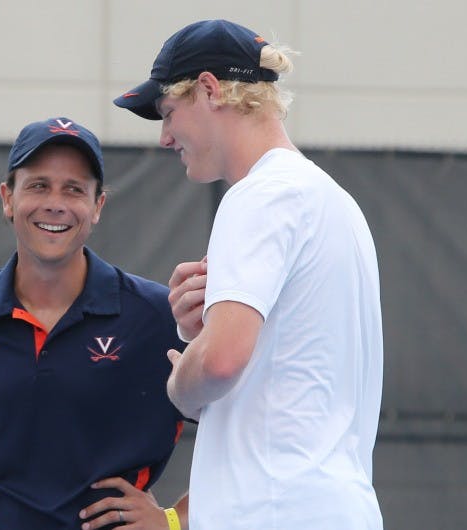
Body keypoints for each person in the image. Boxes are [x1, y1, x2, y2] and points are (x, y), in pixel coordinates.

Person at [113, 19, 384, 530]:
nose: (165, 137)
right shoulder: (334, 202)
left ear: (209, 90)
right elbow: (291, 382)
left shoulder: (259, 195)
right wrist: (203, 330)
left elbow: (219, 365)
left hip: (272, 511)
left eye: (168, 113)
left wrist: (181, 380)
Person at [0, 116, 203, 529]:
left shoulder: (157, 318)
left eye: (74, 189)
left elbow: (249, 423)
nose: (55, 203)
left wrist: (175, 519)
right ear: (8, 199)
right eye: (39, 186)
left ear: (97, 206)